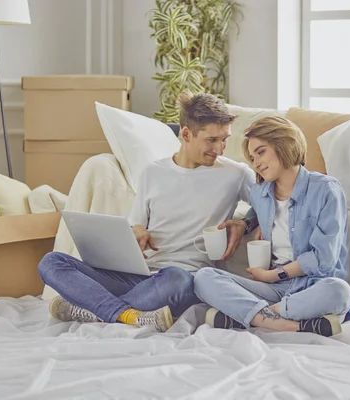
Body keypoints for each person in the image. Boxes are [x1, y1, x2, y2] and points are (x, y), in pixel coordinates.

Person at [38, 91, 256, 332]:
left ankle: (94, 310)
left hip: (181, 281)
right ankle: (127, 314)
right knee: (52, 262)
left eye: (224, 139)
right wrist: (136, 231)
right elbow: (137, 225)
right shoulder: (152, 172)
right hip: (138, 277)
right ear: (186, 133)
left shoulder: (236, 174)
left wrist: (245, 223)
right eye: (212, 140)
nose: (220, 149)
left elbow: (270, 203)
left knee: (178, 278)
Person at [193, 116, 350, 337]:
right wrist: (246, 222)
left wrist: (273, 275)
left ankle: (251, 317)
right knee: (204, 277)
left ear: (284, 143)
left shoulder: (326, 190)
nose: (255, 163)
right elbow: (258, 213)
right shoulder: (260, 194)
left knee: (340, 292)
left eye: (261, 152)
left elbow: (324, 261)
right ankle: (288, 324)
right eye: (251, 158)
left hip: (314, 286)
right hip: (276, 291)